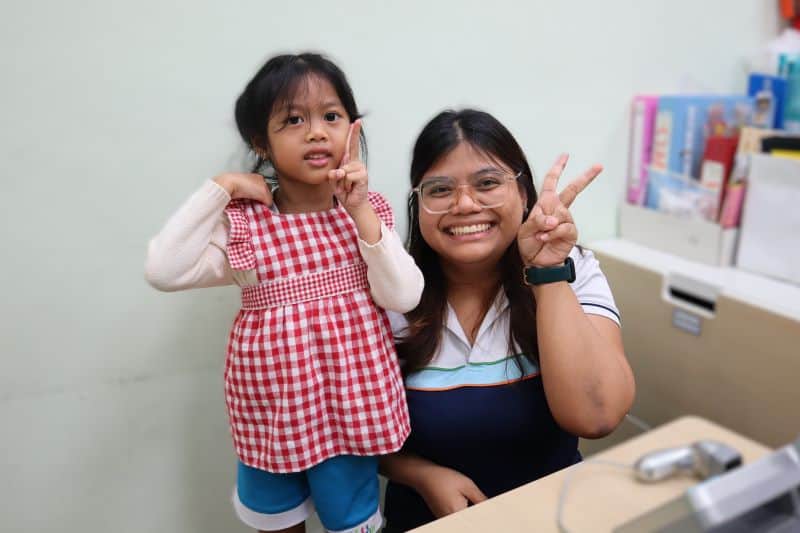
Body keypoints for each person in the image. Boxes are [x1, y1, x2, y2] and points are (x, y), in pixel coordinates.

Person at [144, 53, 424, 533]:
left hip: (347, 415)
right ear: (262, 143)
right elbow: (163, 269)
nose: (316, 132)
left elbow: (404, 296)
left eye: (330, 117)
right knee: (275, 521)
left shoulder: (365, 213)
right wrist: (222, 187)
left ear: (352, 130)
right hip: (272, 417)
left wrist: (359, 213)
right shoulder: (245, 226)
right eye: (293, 120)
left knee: (351, 522)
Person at [380, 109, 635, 531]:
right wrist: (420, 475)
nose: (464, 205)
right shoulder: (389, 294)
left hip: (555, 520)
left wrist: (548, 272)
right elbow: (347, 424)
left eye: (487, 183)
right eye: (439, 189)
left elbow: (598, 416)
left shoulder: (573, 269)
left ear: (524, 194)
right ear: (418, 204)